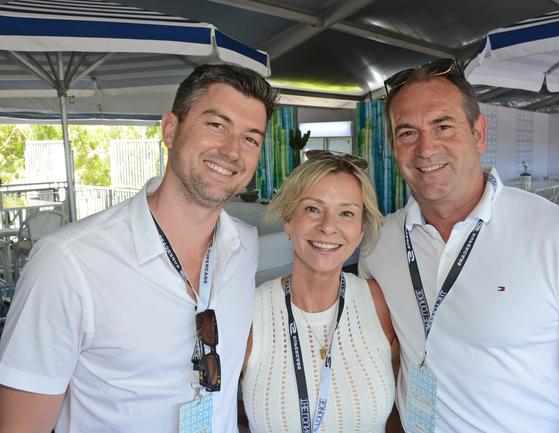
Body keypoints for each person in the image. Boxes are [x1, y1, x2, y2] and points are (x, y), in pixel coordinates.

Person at [359, 58, 559, 433]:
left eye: (443, 126)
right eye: (407, 132)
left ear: (478, 134)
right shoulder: (379, 244)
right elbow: (389, 365)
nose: (426, 148)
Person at [0, 64, 276, 433]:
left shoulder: (244, 246)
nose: (231, 150)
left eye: (250, 139)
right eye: (216, 125)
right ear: (170, 130)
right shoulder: (68, 263)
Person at [241, 151, 397, 433]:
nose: (327, 226)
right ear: (289, 220)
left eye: (346, 213)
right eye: (313, 209)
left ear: (361, 230)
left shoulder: (380, 304)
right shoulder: (249, 313)